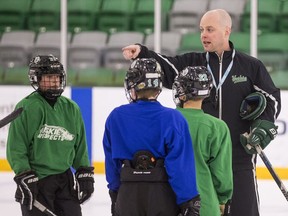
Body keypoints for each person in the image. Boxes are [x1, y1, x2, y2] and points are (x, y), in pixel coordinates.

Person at [122, 9, 281, 216]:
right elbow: (168, 68)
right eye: (201, 30)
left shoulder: (251, 66)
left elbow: (272, 98)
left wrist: (263, 125)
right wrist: (143, 53)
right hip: (200, 164)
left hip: (240, 159)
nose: (203, 35)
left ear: (227, 31)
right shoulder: (193, 64)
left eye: (210, 29)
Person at [102, 58, 200, 216]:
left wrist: (115, 193)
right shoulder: (173, 118)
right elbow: (180, 166)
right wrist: (188, 200)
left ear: (133, 84)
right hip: (161, 196)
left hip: (127, 194)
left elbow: (111, 162)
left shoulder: (116, 117)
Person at [6, 54, 94, 216]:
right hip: (37, 181)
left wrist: (84, 172)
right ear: (37, 79)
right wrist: (24, 174)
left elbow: (80, 145)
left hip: (65, 181)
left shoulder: (71, 108)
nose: (54, 81)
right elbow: (16, 147)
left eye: (57, 77)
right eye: (48, 77)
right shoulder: (27, 107)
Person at [172, 65, 233, 216]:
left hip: (168, 202)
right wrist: (223, 199)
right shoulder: (217, 127)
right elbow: (221, 173)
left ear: (181, 91)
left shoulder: (166, 121)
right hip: (205, 205)